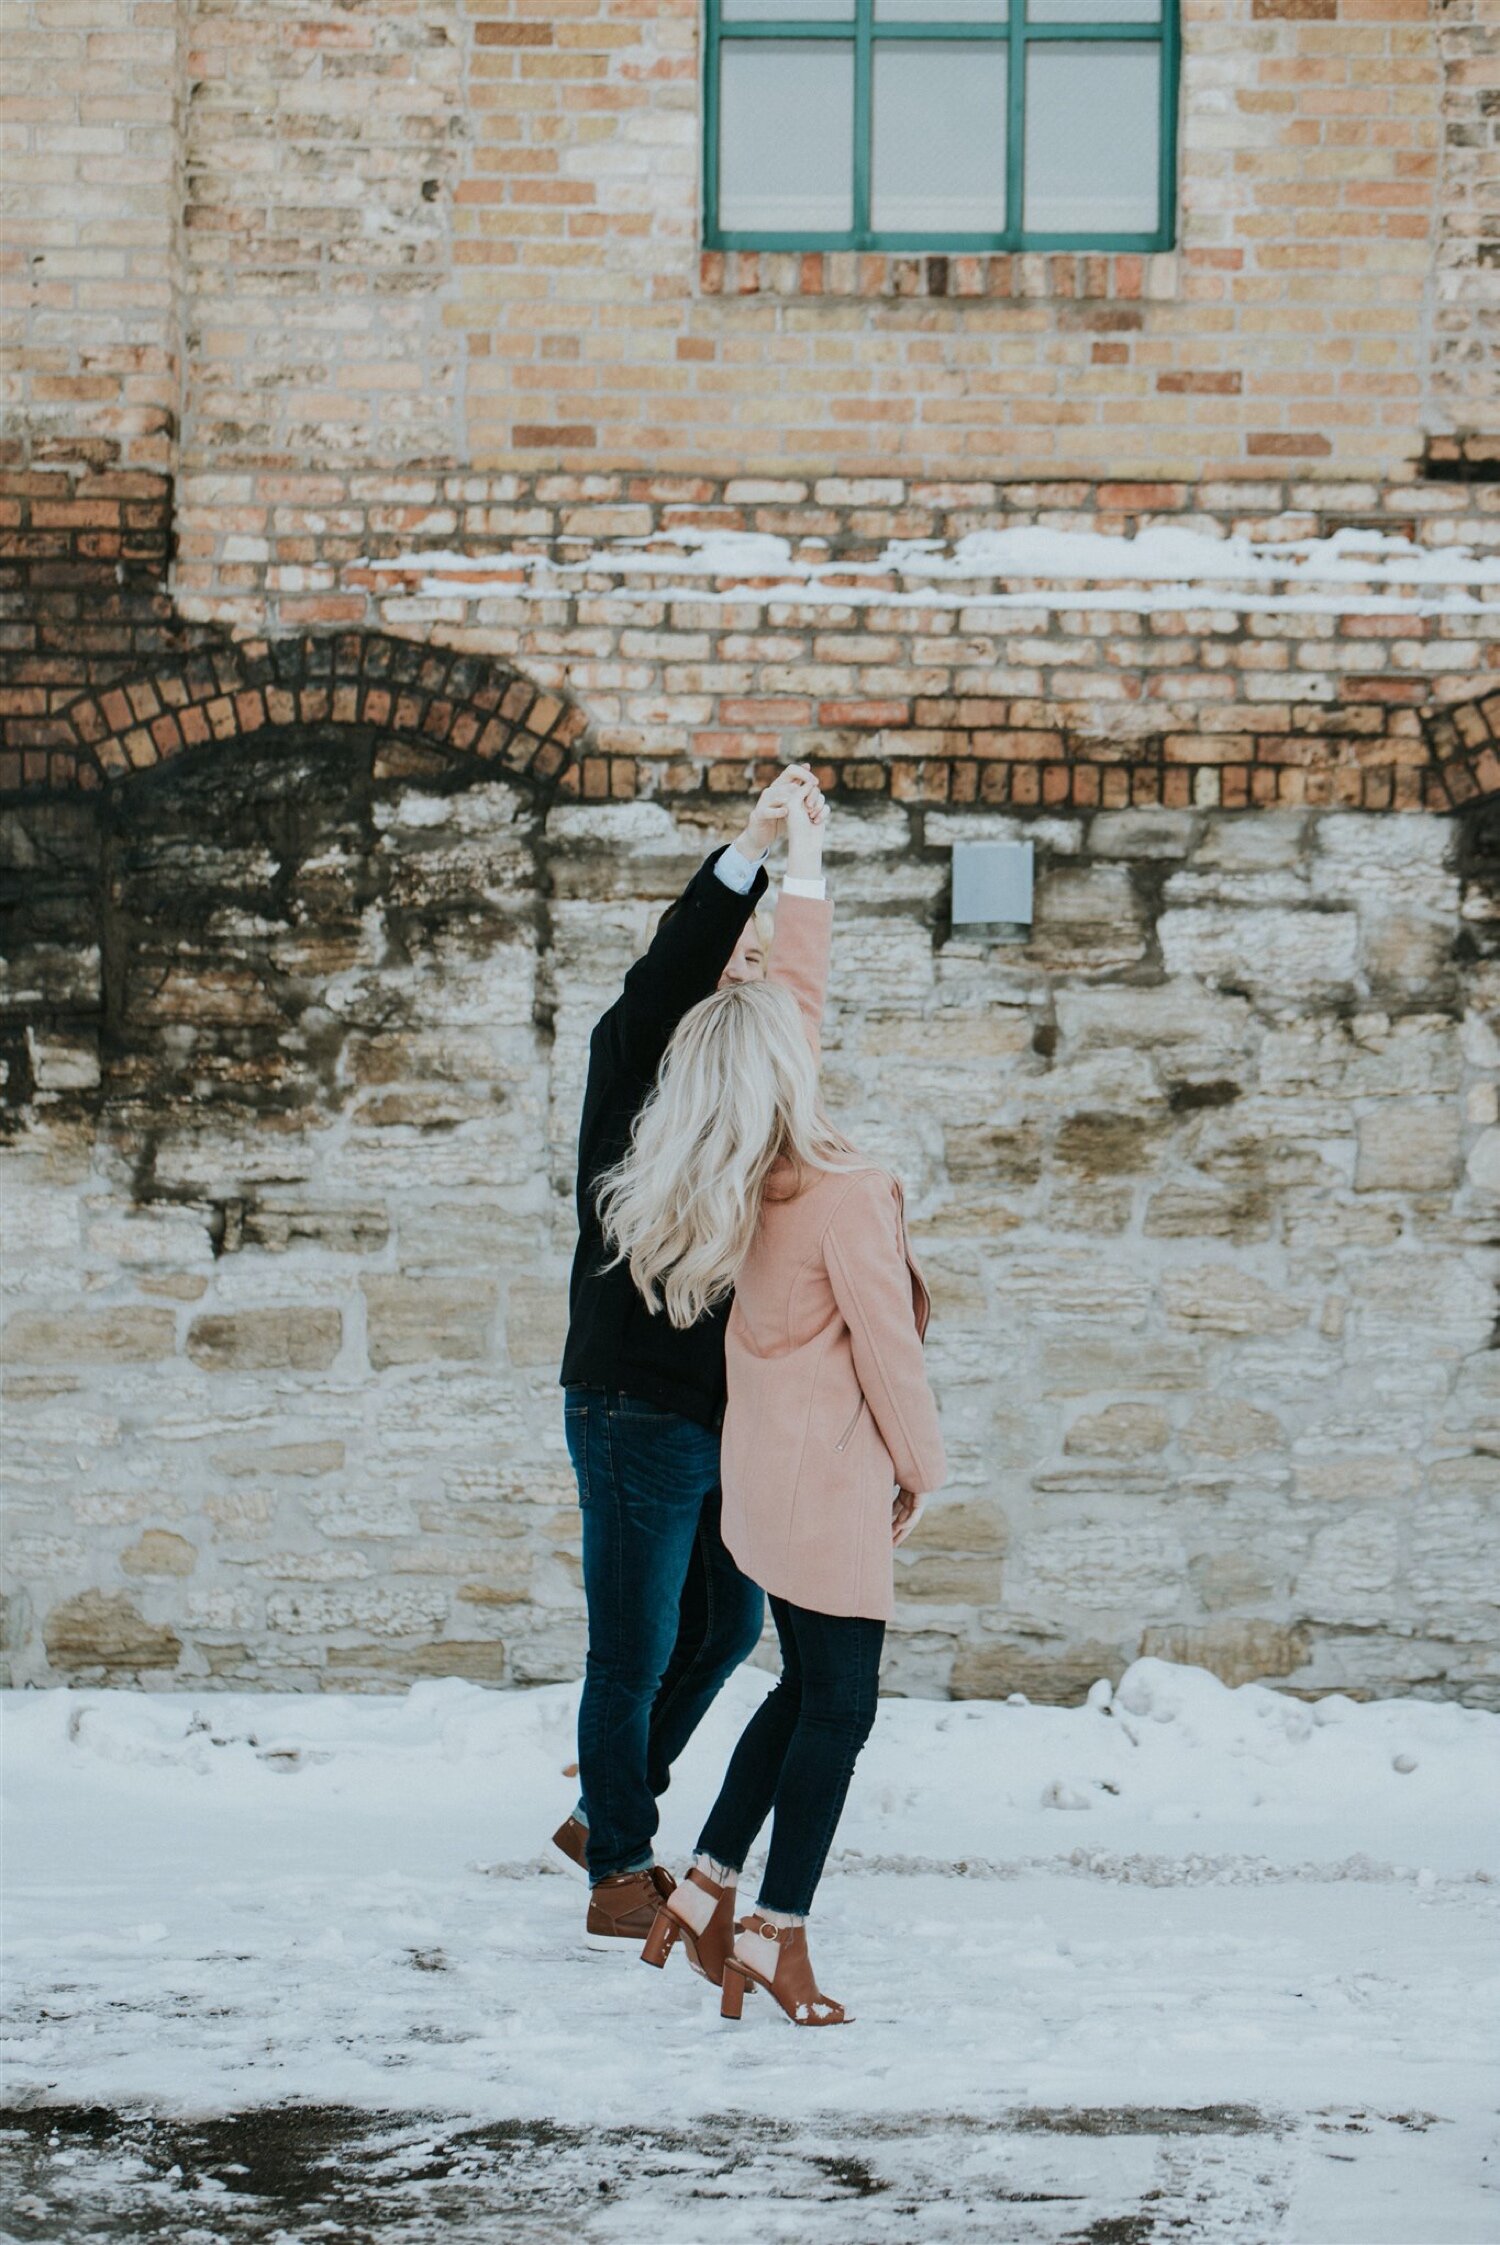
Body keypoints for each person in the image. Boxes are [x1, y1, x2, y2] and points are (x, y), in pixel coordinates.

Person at [596, 790, 945, 2024]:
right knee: (805, 1698)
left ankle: (702, 1886)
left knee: (792, 1682)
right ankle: (736, 1907)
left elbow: (782, 1007)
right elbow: (893, 1352)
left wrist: (799, 863)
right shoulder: (829, 1184)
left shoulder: (743, 1167)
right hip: (765, 1456)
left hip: (756, 1467)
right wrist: (926, 1468)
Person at [556, 764, 830, 1943]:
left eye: (759, 960)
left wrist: (805, 879)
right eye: (739, 959)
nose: (753, 971)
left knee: (724, 1627)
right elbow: (677, 963)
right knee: (634, 1644)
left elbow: (798, 1004)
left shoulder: (753, 1112)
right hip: (629, 1409)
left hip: (722, 1418)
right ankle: (618, 1863)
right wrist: (755, 852)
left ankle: (605, 1801)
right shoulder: (633, 1070)